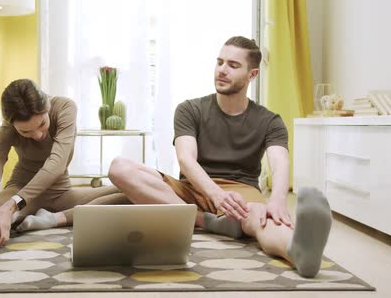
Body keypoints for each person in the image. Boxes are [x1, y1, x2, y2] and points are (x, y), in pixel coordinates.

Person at [108, 36, 332, 278]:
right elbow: (186, 159)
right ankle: (205, 221)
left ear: (252, 74)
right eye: (220, 62)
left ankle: (297, 252)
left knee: (262, 216)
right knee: (119, 167)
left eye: (233, 65)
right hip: (191, 188)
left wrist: (277, 200)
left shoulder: (270, 121)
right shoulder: (190, 109)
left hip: (240, 190)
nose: (222, 70)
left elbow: (279, 162)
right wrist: (216, 195)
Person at [0, 79, 128, 266]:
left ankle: (51, 219)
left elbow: (56, 164)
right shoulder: (7, 130)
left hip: (61, 192)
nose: (38, 135)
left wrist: (13, 205)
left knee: (130, 192)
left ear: (47, 106)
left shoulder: (65, 108)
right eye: (26, 132)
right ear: (12, 125)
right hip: (20, 188)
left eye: (42, 124)